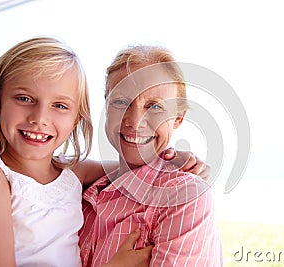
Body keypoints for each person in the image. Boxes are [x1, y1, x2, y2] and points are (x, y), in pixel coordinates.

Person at [0, 37, 208, 267]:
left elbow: (126, 169)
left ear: (77, 117)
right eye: (24, 99)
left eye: (59, 105)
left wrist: (171, 160)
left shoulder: (71, 173)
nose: (39, 119)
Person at [79, 45, 223, 266]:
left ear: (178, 118)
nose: (135, 121)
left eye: (155, 106)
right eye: (120, 102)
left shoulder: (184, 197)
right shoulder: (82, 192)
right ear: (106, 106)